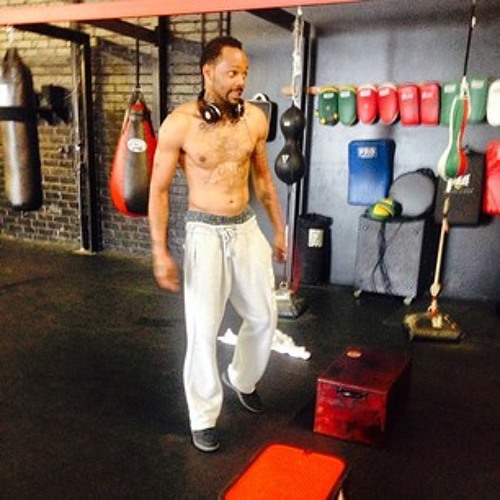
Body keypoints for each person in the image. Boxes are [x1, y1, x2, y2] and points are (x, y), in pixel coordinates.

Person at [148, 36, 286, 453]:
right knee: (203, 331)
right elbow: (158, 190)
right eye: (232, 73)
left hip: (245, 228)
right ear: (208, 71)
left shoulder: (254, 120)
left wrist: (278, 230)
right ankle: (203, 416)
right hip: (204, 233)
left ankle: (241, 378)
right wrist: (159, 250)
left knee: (264, 316)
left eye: (244, 73)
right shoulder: (180, 124)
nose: (241, 80)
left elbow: (263, 180)